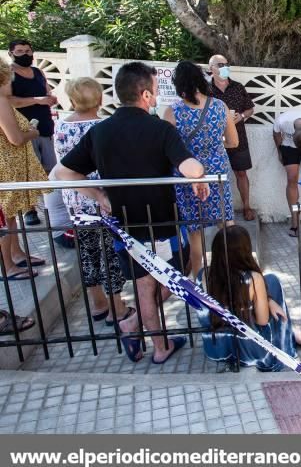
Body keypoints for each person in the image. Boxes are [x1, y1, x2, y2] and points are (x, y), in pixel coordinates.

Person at [53, 61, 210, 365]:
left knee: (146, 283)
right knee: (172, 277)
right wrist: (199, 174)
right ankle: (155, 341)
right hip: (159, 223)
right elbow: (191, 167)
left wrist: (100, 195)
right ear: (146, 95)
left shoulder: (101, 131)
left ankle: (138, 328)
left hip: (124, 224)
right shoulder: (160, 129)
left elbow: (63, 172)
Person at [54, 78, 130, 323]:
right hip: (101, 198)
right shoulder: (104, 127)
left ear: (72, 100)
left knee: (87, 251)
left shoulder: (61, 127)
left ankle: (98, 304)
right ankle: (117, 309)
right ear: (99, 99)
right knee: (109, 252)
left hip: (75, 198)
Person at [164, 61, 238, 280]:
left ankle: (199, 284)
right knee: (226, 226)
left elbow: (167, 149)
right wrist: (213, 145)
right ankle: (233, 276)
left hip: (188, 176)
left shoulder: (173, 111)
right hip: (217, 174)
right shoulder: (219, 106)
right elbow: (233, 142)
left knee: (195, 233)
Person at [197, 226, 301, 371]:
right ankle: (287, 339)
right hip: (249, 352)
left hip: (215, 348)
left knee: (265, 288)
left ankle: (292, 332)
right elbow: (262, 321)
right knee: (272, 281)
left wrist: (267, 299)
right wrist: (266, 298)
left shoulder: (202, 275)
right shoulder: (252, 279)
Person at [0, 60, 47, 280]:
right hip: (7, 166)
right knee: (7, 216)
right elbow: (15, 138)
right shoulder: (0, 101)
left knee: (13, 214)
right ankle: (7, 266)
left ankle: (16, 254)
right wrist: (33, 132)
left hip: (12, 166)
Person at [7, 40, 59, 227]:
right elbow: (10, 101)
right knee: (29, 170)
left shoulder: (38, 72)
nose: (25, 54)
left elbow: (47, 92)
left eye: (28, 50)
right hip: (23, 128)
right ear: (11, 53)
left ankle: (52, 206)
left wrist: (50, 98)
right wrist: (37, 100)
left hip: (44, 126)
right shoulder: (8, 75)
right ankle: (30, 210)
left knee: (50, 168)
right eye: (20, 51)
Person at [208, 55, 257, 221]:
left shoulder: (237, 87)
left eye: (226, 64)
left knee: (241, 173)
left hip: (238, 137)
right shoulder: (206, 90)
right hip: (214, 138)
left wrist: (241, 116)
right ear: (211, 69)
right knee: (214, 175)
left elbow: (250, 109)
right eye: (220, 64)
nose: (224, 67)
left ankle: (246, 207)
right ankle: (217, 211)